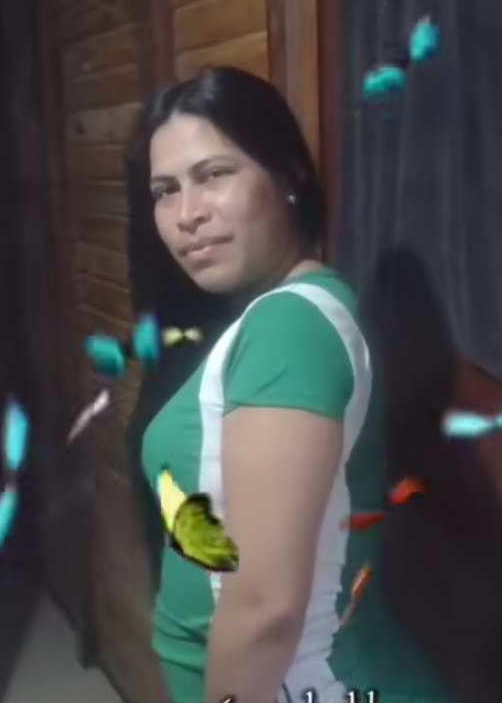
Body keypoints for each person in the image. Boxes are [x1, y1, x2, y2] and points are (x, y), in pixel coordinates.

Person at [126, 66, 451, 703]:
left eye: (214, 175)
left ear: (289, 178)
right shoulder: (271, 317)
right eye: (165, 190)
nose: (187, 214)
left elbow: (266, 610)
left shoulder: (288, 326)